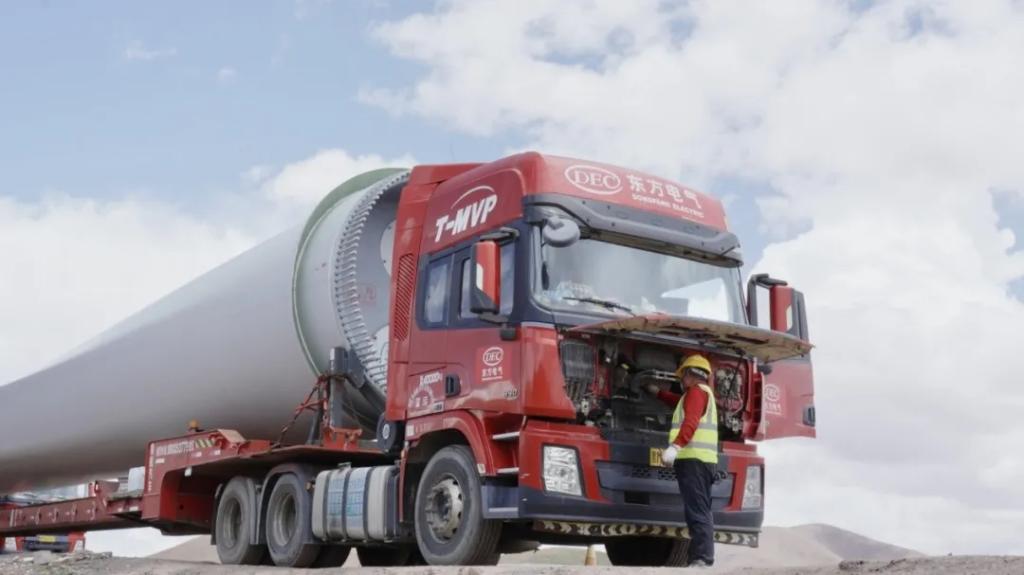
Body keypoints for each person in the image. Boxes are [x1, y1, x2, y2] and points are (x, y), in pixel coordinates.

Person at [644, 353, 718, 567]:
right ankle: (700, 558)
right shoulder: (700, 393)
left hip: (694, 460)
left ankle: (702, 559)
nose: (681, 380)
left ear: (690, 374)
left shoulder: (696, 392)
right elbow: (679, 403)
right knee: (699, 509)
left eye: (682, 375)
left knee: (697, 511)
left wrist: (675, 446)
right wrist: (658, 393)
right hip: (701, 461)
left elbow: (691, 421)